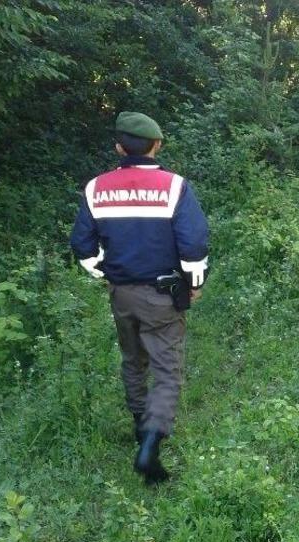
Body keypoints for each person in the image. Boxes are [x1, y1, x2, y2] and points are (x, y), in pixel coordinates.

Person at [69, 112, 209, 484]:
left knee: (133, 360)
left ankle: (138, 425)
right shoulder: (174, 187)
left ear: (119, 147)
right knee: (167, 370)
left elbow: (82, 245)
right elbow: (193, 243)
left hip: (121, 294)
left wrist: (105, 273)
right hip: (163, 294)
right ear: (157, 145)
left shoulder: (96, 188)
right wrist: (194, 282)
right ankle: (150, 445)